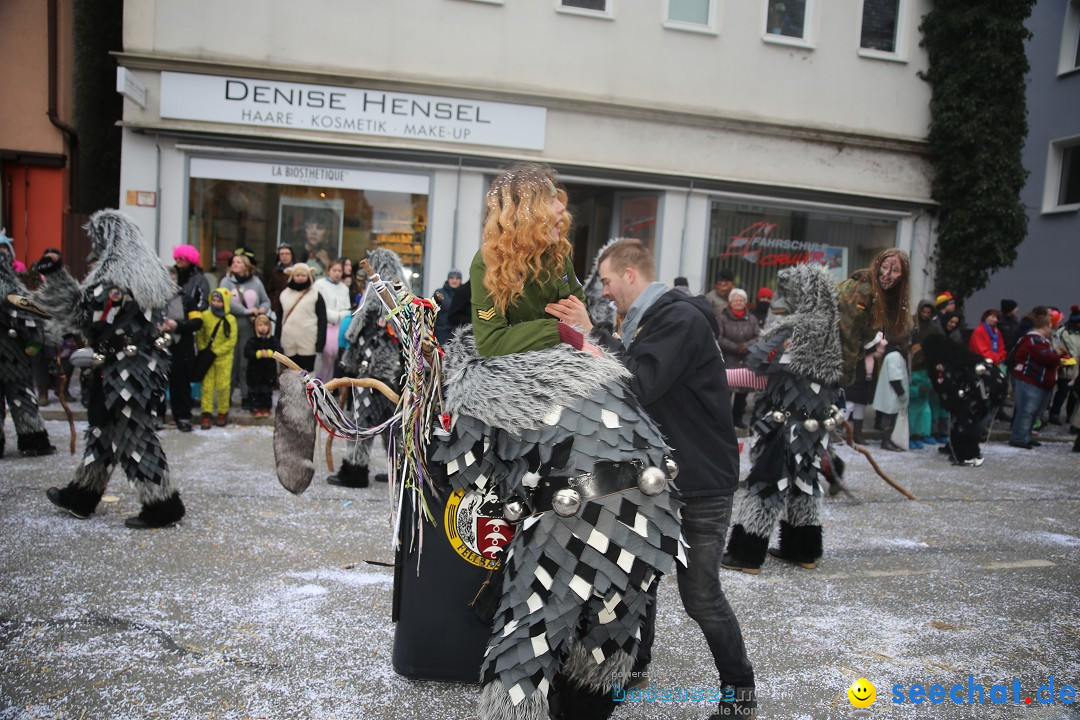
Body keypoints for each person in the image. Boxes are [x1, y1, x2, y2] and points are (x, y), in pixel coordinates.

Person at [433, 165, 682, 720]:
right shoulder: (485, 263)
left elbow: (577, 316)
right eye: (550, 205)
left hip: (573, 375)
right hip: (521, 381)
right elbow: (493, 341)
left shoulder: (559, 258)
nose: (560, 214)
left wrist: (580, 321)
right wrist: (559, 329)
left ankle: (596, 670)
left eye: (560, 206)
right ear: (521, 211)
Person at [548, 238, 756, 719]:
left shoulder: (678, 318)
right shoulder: (646, 320)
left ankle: (741, 696)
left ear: (630, 274)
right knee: (638, 578)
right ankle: (634, 666)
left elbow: (639, 383)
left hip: (700, 483)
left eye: (605, 281)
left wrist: (591, 332)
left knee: (701, 597)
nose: (603, 291)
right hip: (661, 479)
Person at [37, 210, 185, 529]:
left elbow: (83, 317)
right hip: (127, 367)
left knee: (133, 435)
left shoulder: (116, 280)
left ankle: (162, 505)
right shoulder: (146, 274)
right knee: (103, 430)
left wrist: (57, 277)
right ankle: (82, 495)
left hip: (127, 371)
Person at [721, 264, 843, 577]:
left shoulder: (790, 331)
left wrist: (714, 377)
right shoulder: (829, 332)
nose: (779, 299)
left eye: (786, 292)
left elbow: (758, 375)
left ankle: (746, 554)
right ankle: (803, 550)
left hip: (783, 425)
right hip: (814, 428)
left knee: (767, 483)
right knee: (805, 482)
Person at [331, 249, 408, 488]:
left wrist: (351, 365)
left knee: (362, 422)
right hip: (395, 378)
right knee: (392, 424)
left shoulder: (376, 304)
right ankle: (400, 470)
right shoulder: (403, 301)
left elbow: (363, 338)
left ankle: (355, 471)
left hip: (373, 376)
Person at [836, 248, 911, 442]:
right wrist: (846, 375)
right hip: (829, 356)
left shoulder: (884, 297)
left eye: (894, 271)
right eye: (884, 267)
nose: (887, 274)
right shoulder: (863, 289)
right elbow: (848, 332)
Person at [0, 238, 56, 458]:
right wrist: (36, 340)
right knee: (21, 396)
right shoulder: (11, 290)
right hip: (12, 356)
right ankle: (33, 441)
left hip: (11, 353)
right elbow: (28, 318)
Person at [924, 333, 1007, 465]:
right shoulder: (960, 355)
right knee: (970, 420)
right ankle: (963, 449)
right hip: (991, 386)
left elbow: (946, 384)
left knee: (964, 421)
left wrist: (951, 403)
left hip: (979, 389)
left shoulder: (942, 361)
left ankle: (965, 454)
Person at [218, 253, 270, 409]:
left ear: (246, 265)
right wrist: (247, 311)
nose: (235, 264)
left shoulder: (256, 282)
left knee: (245, 362)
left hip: (249, 327)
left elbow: (266, 301)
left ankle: (246, 395)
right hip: (231, 325)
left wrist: (262, 309)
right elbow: (225, 302)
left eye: (239, 262)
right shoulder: (226, 282)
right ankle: (226, 396)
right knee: (231, 362)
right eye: (233, 262)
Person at [169, 244, 210, 432]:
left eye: (181, 259)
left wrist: (179, 324)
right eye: (176, 259)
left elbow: (198, 317)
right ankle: (157, 414)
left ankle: (183, 416)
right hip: (163, 343)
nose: (178, 262)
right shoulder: (158, 298)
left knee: (181, 381)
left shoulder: (193, 286)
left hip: (184, 340)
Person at [1010, 307, 1062, 449]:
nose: (1051, 330)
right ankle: (1019, 438)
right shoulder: (1034, 340)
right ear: (1045, 326)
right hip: (1030, 380)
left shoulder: (1041, 340)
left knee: (1033, 412)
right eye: (1050, 327)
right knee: (1026, 411)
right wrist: (1059, 358)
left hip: (1038, 381)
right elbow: (1048, 358)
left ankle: (1025, 436)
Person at [716, 288, 760, 429]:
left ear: (745, 302)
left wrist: (746, 347)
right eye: (736, 300)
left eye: (741, 300)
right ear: (730, 302)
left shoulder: (752, 319)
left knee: (743, 394)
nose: (738, 303)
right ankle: (724, 421)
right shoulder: (722, 318)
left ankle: (738, 419)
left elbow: (758, 337)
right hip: (728, 359)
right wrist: (736, 347)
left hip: (746, 361)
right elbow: (719, 337)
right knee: (725, 394)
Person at [196, 288, 238, 429]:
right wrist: (204, 349)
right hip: (208, 357)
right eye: (213, 300)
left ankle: (222, 411)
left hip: (224, 358)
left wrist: (217, 351)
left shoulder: (230, 319)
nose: (216, 303)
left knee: (223, 386)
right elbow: (200, 334)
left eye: (219, 301)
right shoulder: (206, 315)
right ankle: (206, 412)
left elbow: (232, 340)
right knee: (207, 386)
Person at [276, 262, 326, 372]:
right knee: (290, 373)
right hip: (288, 340)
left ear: (309, 276)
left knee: (308, 373)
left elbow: (322, 319)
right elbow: (279, 318)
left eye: (303, 275)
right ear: (292, 276)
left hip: (308, 341)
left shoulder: (316, 294)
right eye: (297, 275)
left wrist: (320, 344)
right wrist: (277, 340)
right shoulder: (284, 294)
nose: (300, 278)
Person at [313, 258, 351, 382]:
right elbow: (319, 306)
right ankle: (319, 383)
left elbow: (347, 308)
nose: (337, 273)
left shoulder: (344, 288)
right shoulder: (319, 285)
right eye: (334, 270)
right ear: (328, 270)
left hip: (339, 327)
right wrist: (335, 315)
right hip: (325, 325)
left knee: (335, 357)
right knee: (324, 357)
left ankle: (329, 385)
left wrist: (340, 316)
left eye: (340, 271)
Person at [871, 338, 908, 452]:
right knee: (889, 418)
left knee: (890, 418)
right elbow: (895, 378)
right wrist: (901, 393)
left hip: (891, 394)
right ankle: (885, 441)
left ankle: (888, 440)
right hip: (892, 394)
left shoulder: (893, 355)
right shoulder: (894, 357)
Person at [244, 313, 281, 418]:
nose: (263, 327)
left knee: (266, 391)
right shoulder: (252, 340)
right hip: (254, 372)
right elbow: (247, 352)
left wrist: (270, 353)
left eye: (265, 325)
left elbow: (279, 350)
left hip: (268, 372)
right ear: (256, 327)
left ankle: (266, 407)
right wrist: (258, 354)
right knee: (255, 391)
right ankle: (255, 407)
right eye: (260, 325)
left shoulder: (273, 340)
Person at [1048, 306, 1080, 424]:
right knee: (1062, 392)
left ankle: (1070, 416)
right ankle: (1054, 414)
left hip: (1077, 369)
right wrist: (1069, 361)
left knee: (1075, 395)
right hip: (1067, 368)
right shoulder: (1063, 333)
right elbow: (1059, 349)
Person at [908, 344, 932, 449]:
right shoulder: (910, 371)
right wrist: (917, 390)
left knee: (921, 419)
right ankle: (909, 437)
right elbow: (907, 387)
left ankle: (918, 436)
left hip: (923, 400)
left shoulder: (926, 370)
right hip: (913, 401)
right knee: (911, 419)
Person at [297, 209, 335, 277]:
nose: (313, 232)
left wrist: (327, 263)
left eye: (319, 228)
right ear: (304, 230)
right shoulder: (297, 253)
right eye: (309, 227)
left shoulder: (330, 254)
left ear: (327, 232)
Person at [432, 268, 463, 345]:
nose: (454, 281)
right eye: (452, 278)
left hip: (459, 333)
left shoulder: (465, 293)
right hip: (441, 333)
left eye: (457, 278)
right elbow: (432, 312)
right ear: (448, 279)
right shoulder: (439, 293)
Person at [266, 244, 295, 318]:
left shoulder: (297, 270)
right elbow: (270, 290)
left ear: (292, 255)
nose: (284, 256)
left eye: (287, 254)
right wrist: (274, 304)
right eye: (281, 254)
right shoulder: (275, 272)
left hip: (294, 306)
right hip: (278, 307)